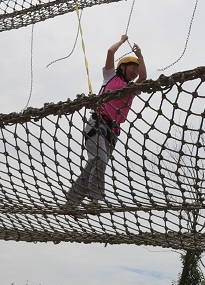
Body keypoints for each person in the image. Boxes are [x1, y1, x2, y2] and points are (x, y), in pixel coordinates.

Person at [63, 35, 147, 213]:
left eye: (137, 68)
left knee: (95, 164)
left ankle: (71, 203)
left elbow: (144, 79)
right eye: (132, 67)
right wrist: (123, 41)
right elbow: (110, 52)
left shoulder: (131, 89)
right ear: (122, 67)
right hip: (97, 125)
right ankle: (95, 199)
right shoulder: (110, 78)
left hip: (112, 132)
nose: (135, 71)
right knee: (99, 159)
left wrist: (140, 57)